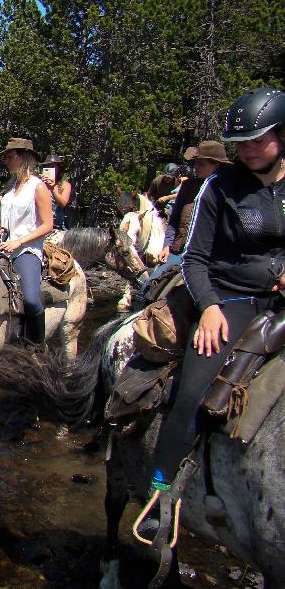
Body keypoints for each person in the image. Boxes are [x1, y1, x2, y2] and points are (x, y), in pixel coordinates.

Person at [144, 87, 285, 529]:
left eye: (257, 142)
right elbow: (195, 259)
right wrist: (209, 307)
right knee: (193, 388)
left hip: (279, 298)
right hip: (232, 298)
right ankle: (159, 492)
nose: (248, 152)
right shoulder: (220, 187)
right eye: (241, 145)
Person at [0, 138, 54, 344]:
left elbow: (47, 225)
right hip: (3, 246)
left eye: (9, 156)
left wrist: (19, 242)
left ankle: (37, 346)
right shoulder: (11, 188)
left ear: (23, 158)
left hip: (26, 250)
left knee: (31, 300)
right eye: (5, 157)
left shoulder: (38, 187)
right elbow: (7, 219)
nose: (5, 160)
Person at [147, 141, 232, 284]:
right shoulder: (187, 186)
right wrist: (167, 246)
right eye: (195, 163)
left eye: (202, 164)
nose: (196, 168)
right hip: (179, 250)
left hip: (209, 256)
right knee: (149, 287)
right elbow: (174, 220)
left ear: (216, 165)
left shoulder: (227, 191)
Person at [40, 154, 74, 230]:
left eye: (52, 167)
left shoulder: (64, 185)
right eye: (47, 167)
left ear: (59, 168)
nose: (49, 169)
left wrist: (52, 188)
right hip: (40, 225)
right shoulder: (39, 184)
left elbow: (62, 203)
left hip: (56, 225)